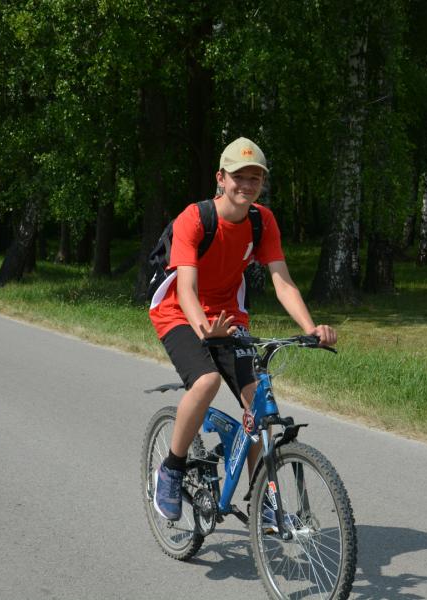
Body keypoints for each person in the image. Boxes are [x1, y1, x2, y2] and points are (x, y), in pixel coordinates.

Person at [148, 137, 337, 521]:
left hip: (229, 316)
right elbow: (186, 288)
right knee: (206, 382)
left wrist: (310, 327)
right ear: (221, 178)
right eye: (239, 177)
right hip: (179, 313)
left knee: (259, 404)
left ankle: (262, 499)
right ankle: (172, 469)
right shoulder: (195, 219)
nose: (247, 185)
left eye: (256, 178)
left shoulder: (261, 221)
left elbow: (282, 281)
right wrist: (205, 330)